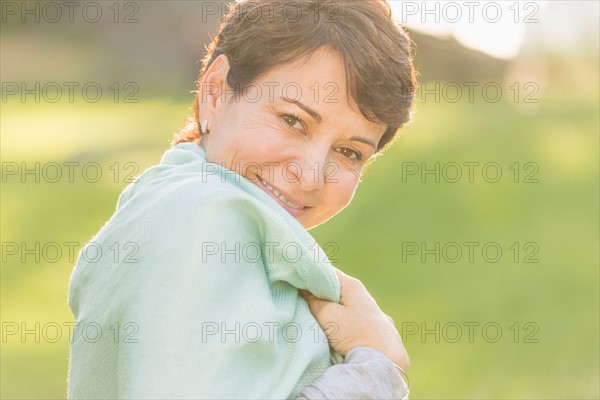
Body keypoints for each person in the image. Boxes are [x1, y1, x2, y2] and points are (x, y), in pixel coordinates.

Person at [67, 0, 417, 398]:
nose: (310, 175)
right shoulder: (197, 216)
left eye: (350, 152)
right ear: (215, 93)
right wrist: (375, 369)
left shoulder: (201, 216)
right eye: (292, 120)